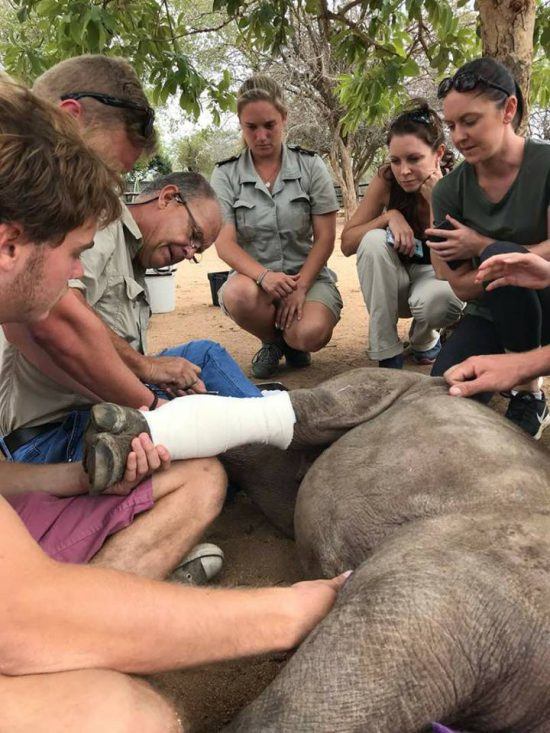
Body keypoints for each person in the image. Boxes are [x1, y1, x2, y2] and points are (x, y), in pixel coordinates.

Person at [0, 78, 346, 732]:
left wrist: (74, 476)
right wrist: (293, 611)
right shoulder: (78, 268)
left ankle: (263, 442)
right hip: (50, 436)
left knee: (201, 398)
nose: (78, 274)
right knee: (126, 714)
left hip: (52, 457)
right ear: (9, 242)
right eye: (74, 253)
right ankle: (273, 445)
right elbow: (17, 617)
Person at [0, 57, 262, 467]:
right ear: (69, 121)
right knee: (203, 475)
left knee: (202, 360)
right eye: (107, 172)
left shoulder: (122, 245)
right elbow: (53, 322)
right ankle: (268, 437)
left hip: (78, 413)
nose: (108, 189)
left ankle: (263, 432)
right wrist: (153, 403)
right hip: (54, 428)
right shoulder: (83, 219)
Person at [426, 57, 550, 439]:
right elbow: (461, 287)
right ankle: (510, 362)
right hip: (490, 310)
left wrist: (482, 245)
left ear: (508, 109)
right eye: (451, 126)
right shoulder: (448, 191)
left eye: (470, 121)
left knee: (498, 256)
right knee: (444, 394)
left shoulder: (546, 164)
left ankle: (530, 393)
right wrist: (500, 268)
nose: (459, 136)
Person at [210, 74, 343, 379]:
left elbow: (325, 237)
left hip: (306, 275)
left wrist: (301, 287)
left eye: (269, 125)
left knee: (309, 334)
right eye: (251, 127)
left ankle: (294, 341)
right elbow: (225, 244)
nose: (261, 136)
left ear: (284, 118)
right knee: (236, 294)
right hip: (256, 282)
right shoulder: (225, 174)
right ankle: (272, 341)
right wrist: (264, 276)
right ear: (240, 124)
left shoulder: (311, 165)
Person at [340, 101, 463, 368]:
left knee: (444, 300)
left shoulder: (458, 185)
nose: (403, 171)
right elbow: (347, 244)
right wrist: (388, 216)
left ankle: (425, 340)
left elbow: (451, 269)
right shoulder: (387, 180)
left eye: (414, 159)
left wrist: (436, 202)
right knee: (372, 240)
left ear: (438, 153)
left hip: (434, 280)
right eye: (395, 160)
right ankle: (387, 353)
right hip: (394, 280)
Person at [444, 252, 550, 397]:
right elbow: (460, 286)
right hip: (487, 313)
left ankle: (529, 394)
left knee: (499, 250)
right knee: (446, 388)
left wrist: (521, 366)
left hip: (539, 314)